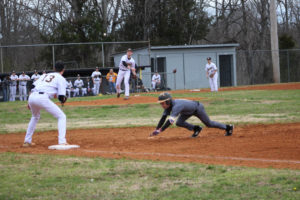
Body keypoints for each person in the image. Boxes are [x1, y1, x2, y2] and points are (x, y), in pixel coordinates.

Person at [23, 61, 68, 147]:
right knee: (62, 116)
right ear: (63, 70)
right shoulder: (60, 78)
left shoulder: (44, 75)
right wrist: (63, 99)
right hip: (42, 97)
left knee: (35, 117)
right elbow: (61, 97)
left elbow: (31, 86)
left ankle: (27, 141)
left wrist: (29, 101)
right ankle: (62, 141)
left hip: (32, 96)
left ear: (54, 69)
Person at [149, 92, 233, 138]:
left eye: (162, 103)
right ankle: (196, 129)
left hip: (197, 108)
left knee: (209, 124)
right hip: (187, 111)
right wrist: (156, 129)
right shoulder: (168, 107)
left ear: (168, 101)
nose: (162, 105)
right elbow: (163, 118)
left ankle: (228, 127)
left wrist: (160, 130)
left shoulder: (176, 106)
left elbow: (170, 122)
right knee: (179, 122)